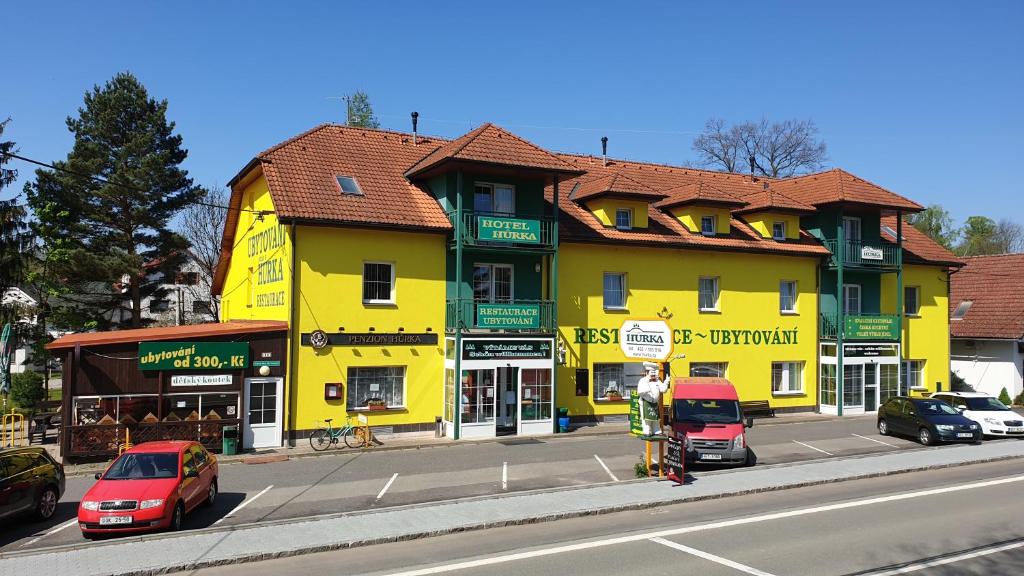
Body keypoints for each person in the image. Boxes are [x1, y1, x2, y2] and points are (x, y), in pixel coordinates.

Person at [636, 362, 668, 436]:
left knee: (656, 418)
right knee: (646, 419)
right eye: (651, 373)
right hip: (645, 402)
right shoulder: (643, 381)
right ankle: (647, 431)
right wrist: (646, 390)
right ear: (647, 373)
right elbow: (639, 392)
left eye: (654, 373)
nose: (653, 375)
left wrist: (666, 382)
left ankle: (657, 431)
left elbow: (663, 390)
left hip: (655, 403)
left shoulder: (657, 381)